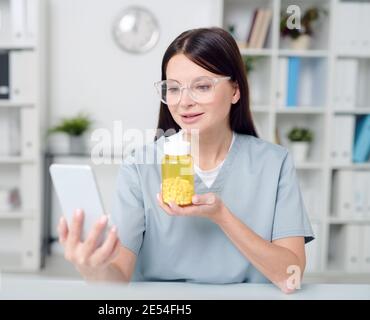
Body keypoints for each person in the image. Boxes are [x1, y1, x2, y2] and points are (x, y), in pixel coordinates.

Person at [57, 27, 314, 293]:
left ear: (235, 90)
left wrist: (222, 216)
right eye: (174, 88)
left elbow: (290, 278)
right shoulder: (140, 165)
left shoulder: (274, 163)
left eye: (202, 86)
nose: (184, 102)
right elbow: (117, 277)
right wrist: (92, 268)